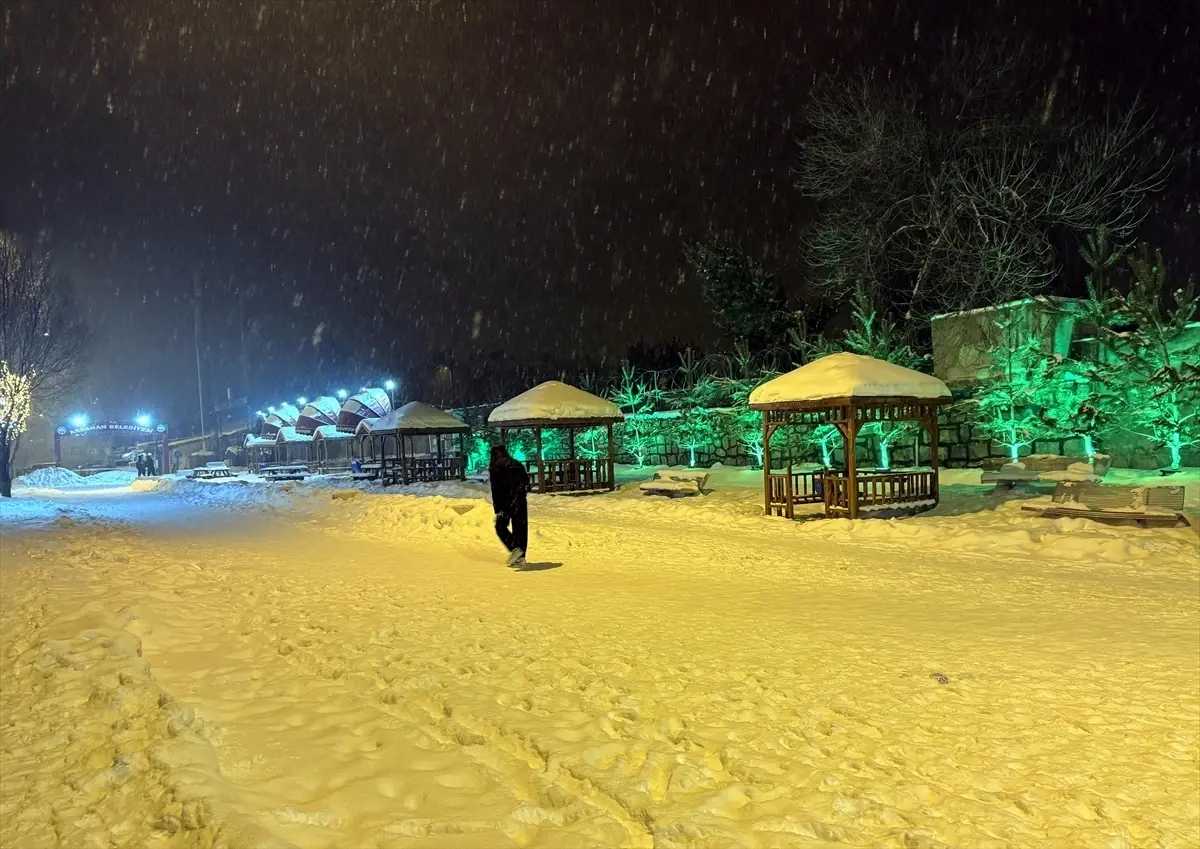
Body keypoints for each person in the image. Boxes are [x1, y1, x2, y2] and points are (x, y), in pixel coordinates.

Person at [488, 444, 530, 566]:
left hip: (505, 502)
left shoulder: (495, 467)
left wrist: (498, 509)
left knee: (500, 527)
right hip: (519, 500)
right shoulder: (516, 464)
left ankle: (515, 549)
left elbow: (496, 490)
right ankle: (520, 556)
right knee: (520, 529)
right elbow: (525, 481)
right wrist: (519, 493)